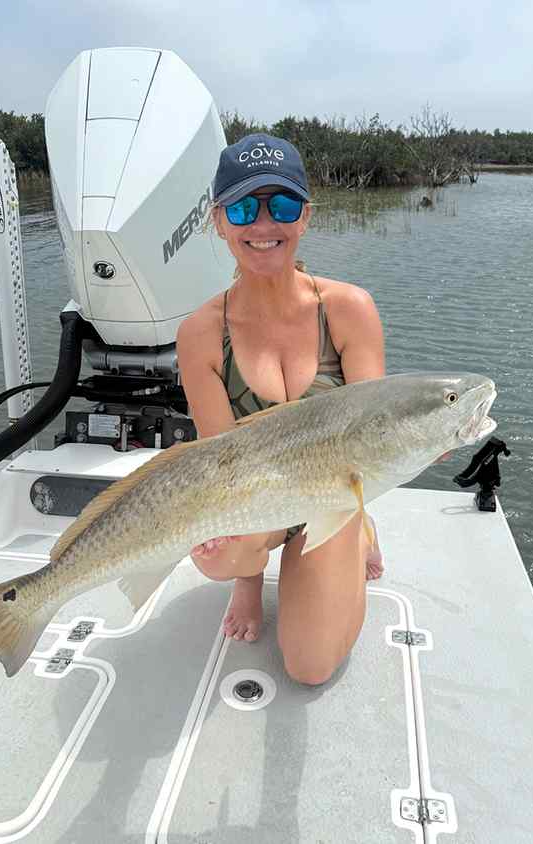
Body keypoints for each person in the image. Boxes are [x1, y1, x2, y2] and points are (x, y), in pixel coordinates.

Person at [176, 133, 385, 686]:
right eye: (244, 207)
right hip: (257, 499)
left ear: (306, 217)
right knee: (217, 556)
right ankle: (256, 575)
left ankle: (359, 530)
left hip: (334, 497)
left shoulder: (348, 310)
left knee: (309, 668)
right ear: (218, 221)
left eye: (283, 205)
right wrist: (244, 574)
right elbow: (224, 464)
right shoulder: (200, 334)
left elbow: (375, 435)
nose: (264, 225)